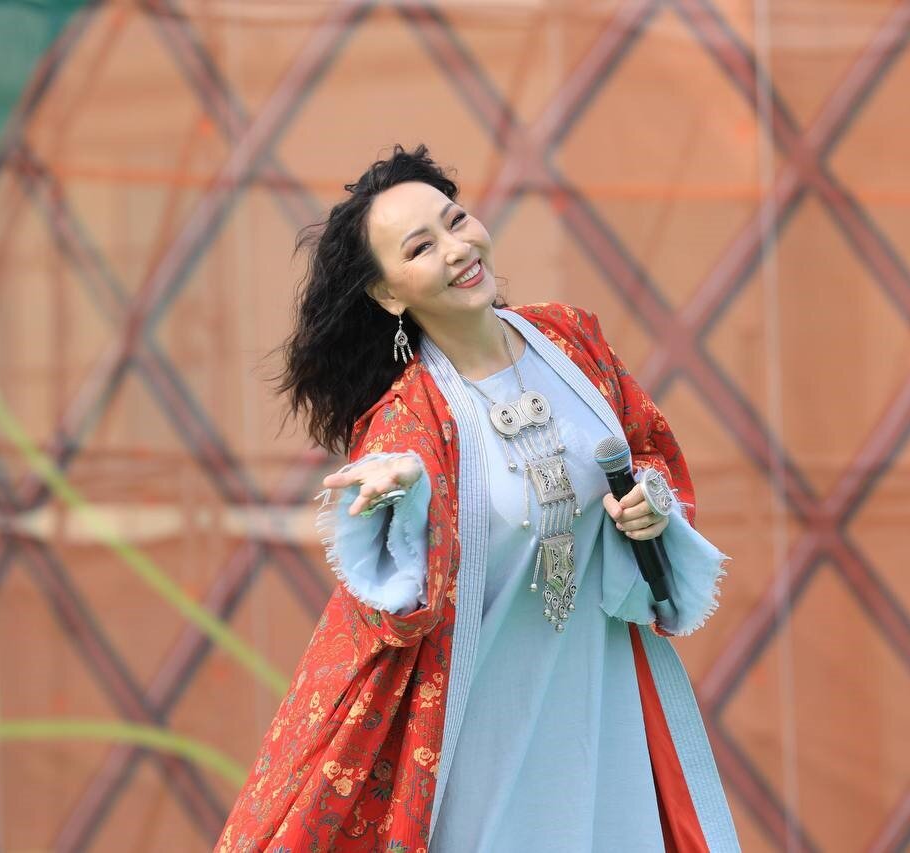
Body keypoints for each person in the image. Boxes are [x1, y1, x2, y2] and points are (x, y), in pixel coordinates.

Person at [217, 145, 737, 852]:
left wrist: (649, 505)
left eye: (456, 220)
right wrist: (400, 506)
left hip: (603, 688)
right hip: (485, 720)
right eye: (421, 247)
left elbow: (645, 446)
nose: (457, 249)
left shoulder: (571, 338)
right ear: (389, 295)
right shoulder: (409, 419)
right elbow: (403, 601)